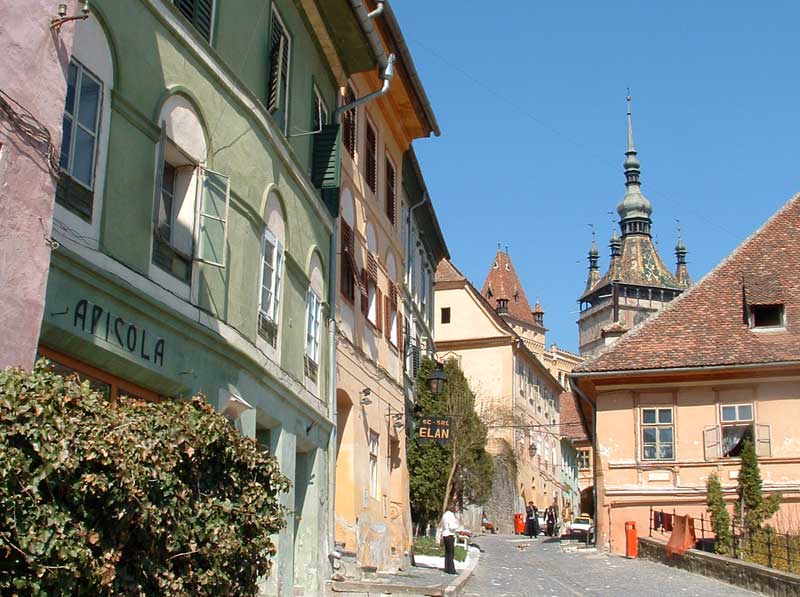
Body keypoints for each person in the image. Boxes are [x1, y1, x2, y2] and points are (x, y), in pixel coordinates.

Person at [440, 502, 459, 574]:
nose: (456, 509)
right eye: (455, 507)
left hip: (445, 534)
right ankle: (451, 569)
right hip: (450, 534)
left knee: (447, 552)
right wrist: (457, 524)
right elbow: (452, 526)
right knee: (451, 553)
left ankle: (447, 568)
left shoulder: (445, 515)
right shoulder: (451, 515)